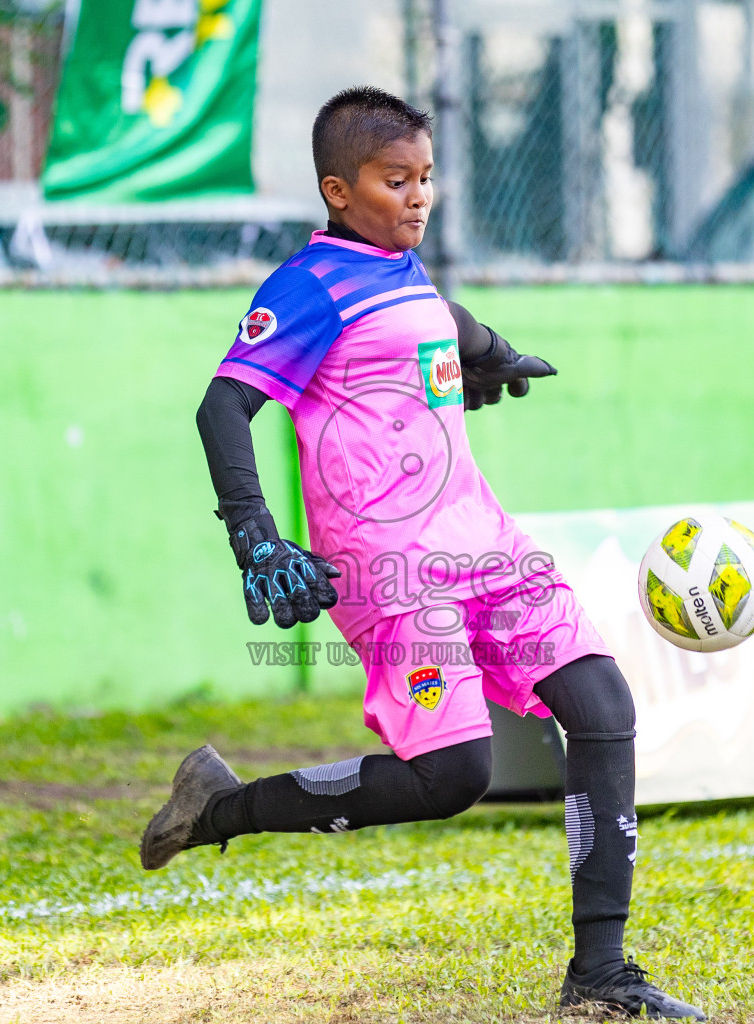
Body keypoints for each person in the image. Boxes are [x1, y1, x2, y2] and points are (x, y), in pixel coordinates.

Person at [139, 86, 706, 1021]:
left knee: (603, 703)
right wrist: (256, 539)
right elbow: (222, 407)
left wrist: (489, 351)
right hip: (393, 569)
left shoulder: (401, 268)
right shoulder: (306, 286)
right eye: (394, 180)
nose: (418, 198)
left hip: (487, 543)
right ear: (337, 190)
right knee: (454, 779)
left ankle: (600, 975)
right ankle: (220, 806)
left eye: (426, 178)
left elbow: (435, 313)